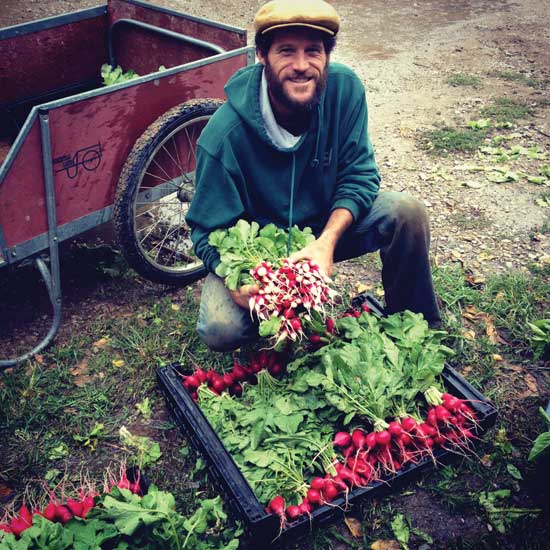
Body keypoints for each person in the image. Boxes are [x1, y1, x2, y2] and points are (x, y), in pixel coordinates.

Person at [186, 0, 440, 351]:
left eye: (314, 51)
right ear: (262, 55)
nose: (302, 66)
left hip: (322, 226)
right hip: (263, 253)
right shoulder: (223, 137)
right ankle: (273, 333)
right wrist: (235, 280)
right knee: (220, 328)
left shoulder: (345, 91)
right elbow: (206, 229)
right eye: (287, 51)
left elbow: (360, 175)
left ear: (327, 55)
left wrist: (327, 241)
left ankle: (417, 331)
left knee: (405, 212)